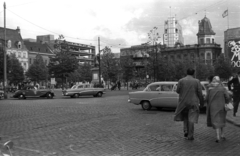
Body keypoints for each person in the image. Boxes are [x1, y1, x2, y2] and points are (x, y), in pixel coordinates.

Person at [174, 68, 204, 140]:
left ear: (186, 73)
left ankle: (185, 130)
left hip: (183, 102)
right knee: (191, 119)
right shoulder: (197, 81)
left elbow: (177, 91)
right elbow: (200, 93)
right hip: (193, 102)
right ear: (193, 73)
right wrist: (202, 103)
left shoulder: (181, 81)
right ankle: (190, 135)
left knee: (185, 117)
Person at [206, 76, 230, 143]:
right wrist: (227, 102)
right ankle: (222, 134)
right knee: (222, 119)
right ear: (219, 81)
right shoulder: (223, 88)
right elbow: (227, 97)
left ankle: (217, 136)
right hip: (222, 106)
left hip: (213, 107)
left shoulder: (210, 89)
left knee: (215, 121)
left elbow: (206, 98)